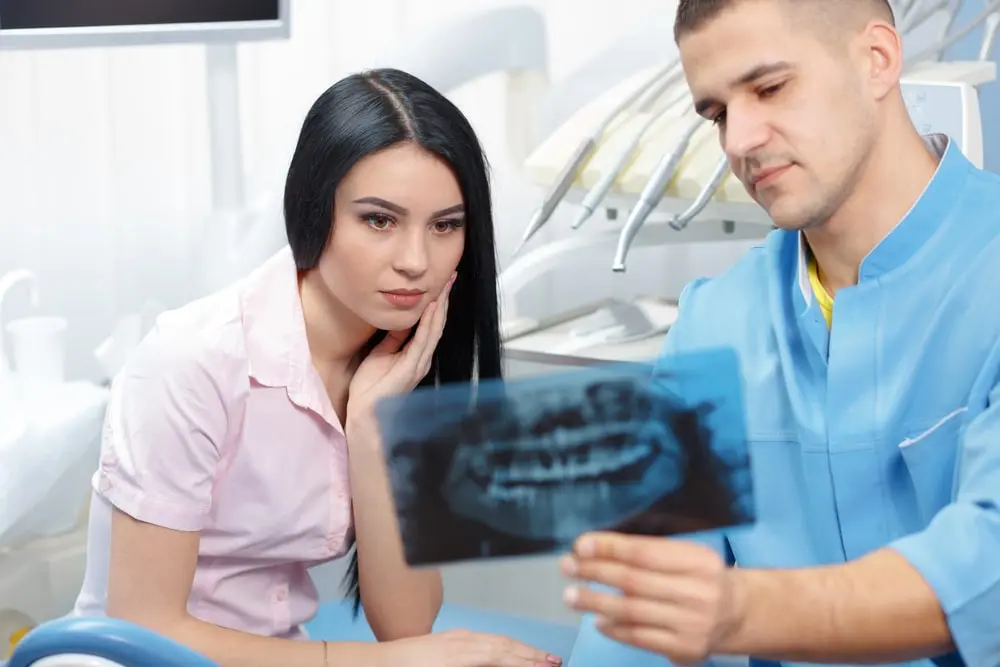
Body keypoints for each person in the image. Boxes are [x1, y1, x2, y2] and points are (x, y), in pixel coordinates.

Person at [70, 67, 562, 667]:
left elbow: (406, 624)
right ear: (313, 210)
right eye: (379, 219)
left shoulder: (404, 359)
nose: (415, 261)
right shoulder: (192, 361)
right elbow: (145, 628)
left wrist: (374, 430)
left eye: (445, 226)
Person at [557, 1, 1000, 667]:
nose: (738, 141)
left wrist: (741, 609)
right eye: (716, 113)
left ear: (876, 59)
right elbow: (638, 616)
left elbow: (985, 563)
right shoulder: (715, 324)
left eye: (769, 88)